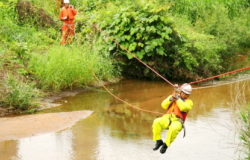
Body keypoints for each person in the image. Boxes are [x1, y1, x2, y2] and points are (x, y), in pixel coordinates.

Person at [152, 83, 193, 154]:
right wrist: (171, 99)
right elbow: (163, 105)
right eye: (183, 93)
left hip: (178, 122)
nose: (184, 95)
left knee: (173, 128)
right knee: (156, 121)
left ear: (188, 95)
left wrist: (177, 99)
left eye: (187, 94)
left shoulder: (189, 102)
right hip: (168, 119)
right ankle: (158, 141)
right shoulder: (173, 97)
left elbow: (183, 108)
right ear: (180, 92)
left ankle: (166, 145)